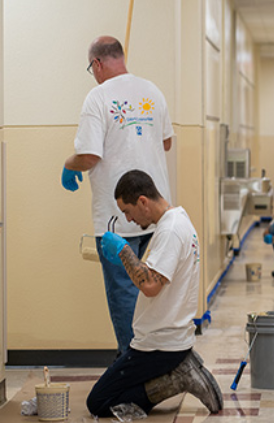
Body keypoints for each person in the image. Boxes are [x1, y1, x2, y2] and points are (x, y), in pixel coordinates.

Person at [61, 36, 174, 357]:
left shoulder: (97, 97)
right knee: (155, 290)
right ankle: (155, 362)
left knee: (125, 294)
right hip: (155, 211)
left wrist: (68, 165)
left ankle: (130, 366)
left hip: (117, 215)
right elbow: (166, 143)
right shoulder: (152, 91)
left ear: (97, 64)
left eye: (90, 68)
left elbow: (89, 156)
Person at [86, 170, 222, 417]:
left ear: (142, 202)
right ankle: (180, 371)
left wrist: (123, 250)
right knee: (125, 391)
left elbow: (150, 286)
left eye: (127, 211)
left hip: (159, 345)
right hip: (168, 340)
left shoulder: (169, 231)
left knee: (98, 401)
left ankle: (180, 378)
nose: (129, 219)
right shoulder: (178, 220)